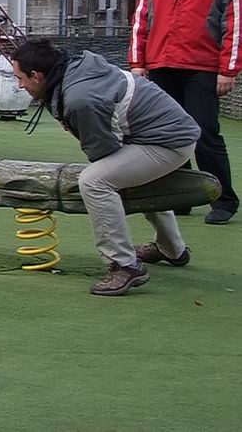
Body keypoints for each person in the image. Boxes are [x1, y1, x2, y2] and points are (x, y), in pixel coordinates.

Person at [11, 38, 200, 297]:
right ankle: (172, 249)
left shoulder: (81, 97)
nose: (19, 85)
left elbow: (103, 150)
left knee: (95, 181)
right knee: (128, 177)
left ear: (37, 75)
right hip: (159, 134)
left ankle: (124, 265)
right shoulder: (73, 69)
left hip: (168, 142)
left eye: (20, 78)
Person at [129, 0, 242, 225]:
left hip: (202, 66)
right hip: (161, 63)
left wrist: (228, 69)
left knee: (204, 132)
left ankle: (224, 200)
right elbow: (142, 16)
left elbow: (235, 21)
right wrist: (138, 62)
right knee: (166, 134)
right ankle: (182, 194)